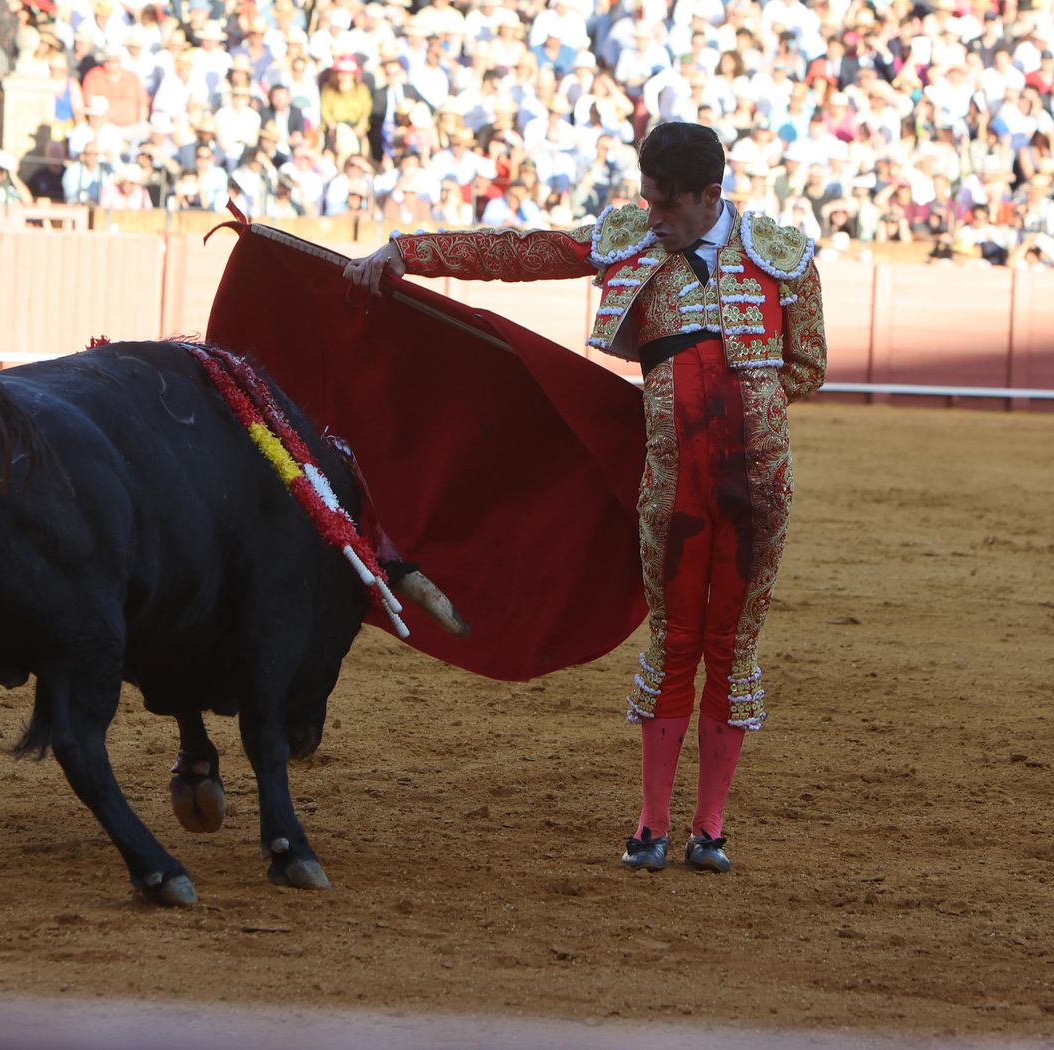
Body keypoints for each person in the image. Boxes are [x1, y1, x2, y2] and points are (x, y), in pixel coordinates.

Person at [343, 121, 826, 875]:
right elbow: (522, 251)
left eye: (667, 206)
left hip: (757, 486)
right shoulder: (634, 239)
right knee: (675, 644)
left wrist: (743, 409)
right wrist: (408, 250)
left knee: (732, 649)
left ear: (711, 196)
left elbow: (808, 367)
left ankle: (712, 830)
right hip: (672, 481)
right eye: (647, 201)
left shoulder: (782, 255)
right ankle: (652, 826)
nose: (653, 217)